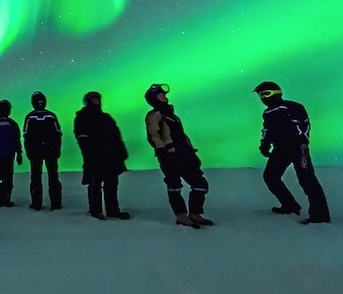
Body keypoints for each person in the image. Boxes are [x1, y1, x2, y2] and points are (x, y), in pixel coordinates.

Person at [253, 81, 331, 224]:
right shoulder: (268, 113)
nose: (263, 98)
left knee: (307, 179)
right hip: (281, 149)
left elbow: (303, 125)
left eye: (266, 93)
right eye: (260, 95)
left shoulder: (292, 107)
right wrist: (264, 145)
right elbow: (267, 130)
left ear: (277, 93)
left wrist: (302, 143)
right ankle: (289, 205)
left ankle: (320, 216)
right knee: (270, 176)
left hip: (298, 148)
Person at [144, 84, 213, 228]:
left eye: (164, 94)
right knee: (174, 185)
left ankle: (195, 213)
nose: (164, 97)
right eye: (160, 95)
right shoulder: (154, 115)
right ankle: (181, 215)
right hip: (169, 156)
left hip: (184, 154)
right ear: (153, 99)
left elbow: (182, 135)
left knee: (199, 183)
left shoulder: (172, 116)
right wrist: (163, 149)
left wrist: (190, 150)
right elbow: (153, 134)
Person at [73, 91, 131, 220]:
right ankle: (95, 210)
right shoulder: (82, 117)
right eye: (93, 99)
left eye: (97, 99)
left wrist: (121, 151)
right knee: (95, 183)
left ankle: (113, 210)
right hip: (95, 156)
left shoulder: (106, 118)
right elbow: (81, 136)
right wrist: (90, 150)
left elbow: (117, 136)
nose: (96, 101)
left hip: (110, 156)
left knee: (112, 183)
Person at [23, 91, 63, 211]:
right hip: (50, 151)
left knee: (36, 177)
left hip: (35, 152)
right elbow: (58, 134)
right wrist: (57, 149)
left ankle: (36, 204)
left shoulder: (29, 116)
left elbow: (26, 135)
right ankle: (55, 203)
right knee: (53, 177)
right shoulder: (51, 115)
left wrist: (28, 151)